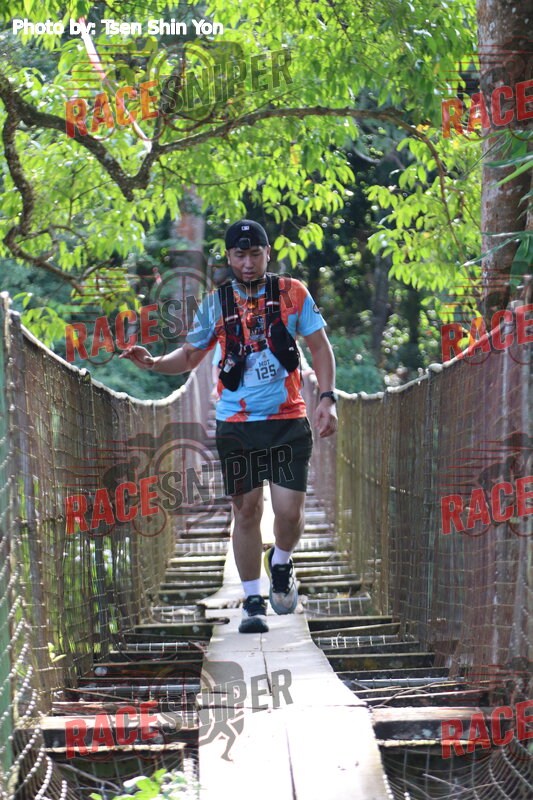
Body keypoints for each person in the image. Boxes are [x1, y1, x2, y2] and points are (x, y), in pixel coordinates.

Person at [120, 219, 338, 633]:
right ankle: (253, 601)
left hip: (288, 421)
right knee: (246, 510)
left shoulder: (294, 293)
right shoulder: (215, 304)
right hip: (236, 426)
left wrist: (327, 398)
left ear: (268, 253)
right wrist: (153, 363)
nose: (248, 263)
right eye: (240, 255)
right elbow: (189, 356)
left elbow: (320, 347)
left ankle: (281, 562)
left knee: (289, 512)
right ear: (230, 257)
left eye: (255, 254)